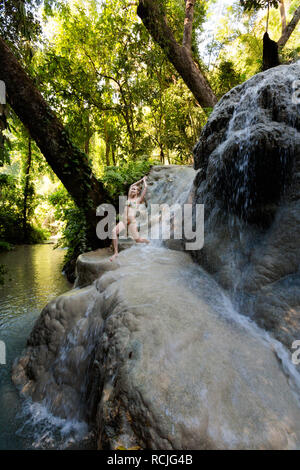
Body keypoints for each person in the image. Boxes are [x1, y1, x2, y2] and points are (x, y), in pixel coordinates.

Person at [110, 176, 149, 262]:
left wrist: (144, 181)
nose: (132, 190)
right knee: (113, 232)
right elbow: (132, 185)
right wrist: (140, 180)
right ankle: (116, 253)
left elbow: (145, 188)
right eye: (132, 189)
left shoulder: (138, 200)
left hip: (131, 222)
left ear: (138, 192)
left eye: (135, 189)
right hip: (124, 221)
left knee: (138, 240)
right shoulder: (129, 197)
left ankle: (148, 243)